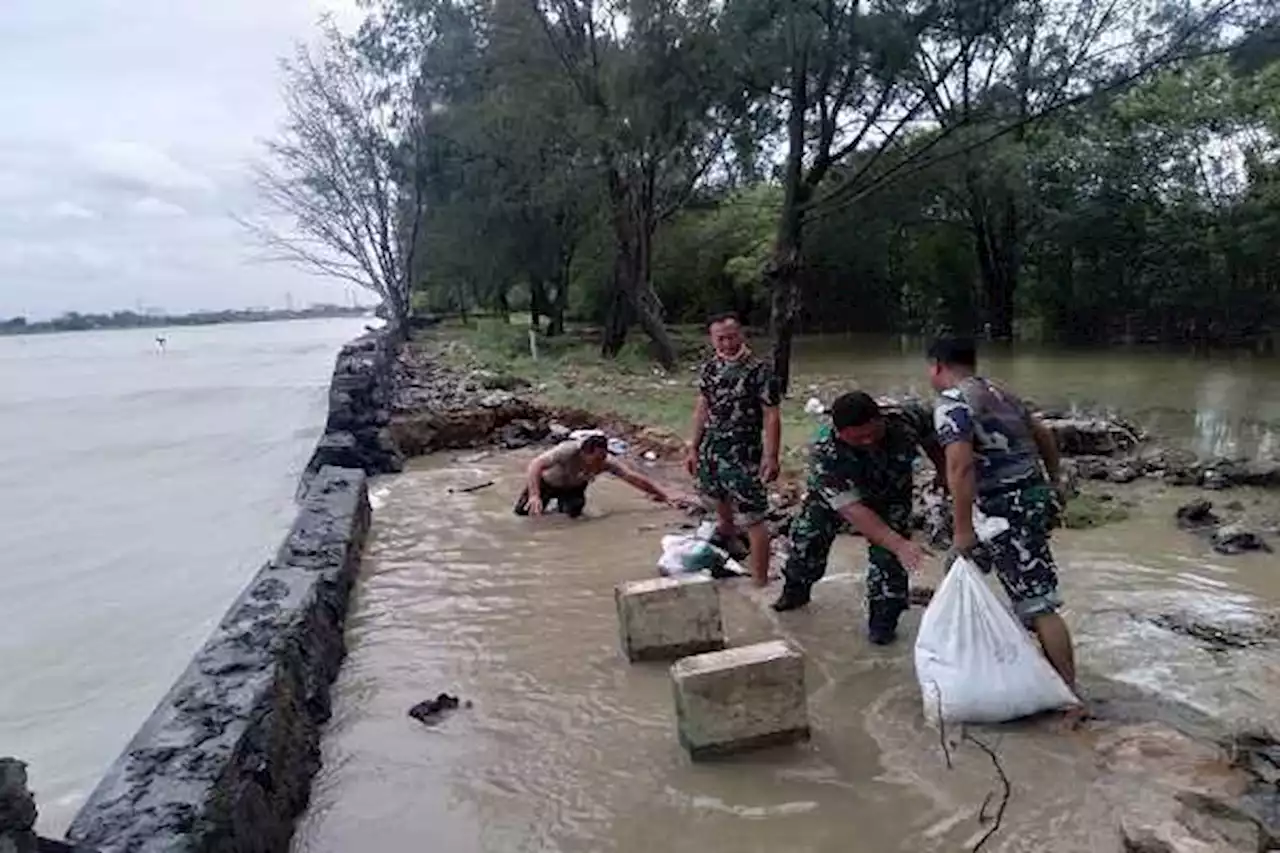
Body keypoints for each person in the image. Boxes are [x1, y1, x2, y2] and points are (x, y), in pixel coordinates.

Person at [926, 335, 1080, 693]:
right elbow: (1043, 433)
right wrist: (1054, 481)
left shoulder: (952, 402)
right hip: (1029, 500)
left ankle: (1069, 693)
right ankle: (996, 666)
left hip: (1002, 511)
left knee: (1038, 603)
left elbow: (960, 467)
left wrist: (962, 531)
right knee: (963, 579)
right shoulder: (1001, 392)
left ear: (936, 367)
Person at [772, 392, 946, 645]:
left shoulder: (906, 417)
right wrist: (899, 543)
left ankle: (884, 623)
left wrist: (943, 470)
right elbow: (853, 510)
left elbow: (931, 437)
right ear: (839, 432)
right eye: (858, 439)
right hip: (834, 499)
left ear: (881, 419)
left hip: (890, 493)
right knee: (807, 544)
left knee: (890, 563)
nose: (868, 443)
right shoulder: (825, 450)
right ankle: (795, 592)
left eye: (873, 435)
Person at [685, 313, 781, 586]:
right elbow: (703, 406)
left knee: (753, 517)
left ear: (741, 335)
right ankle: (731, 544)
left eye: (732, 337)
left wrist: (771, 456)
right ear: (713, 339)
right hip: (712, 449)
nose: (727, 343)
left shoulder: (759, 370)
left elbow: (771, 414)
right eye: (721, 339)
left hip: (744, 452)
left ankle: (760, 583)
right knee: (717, 500)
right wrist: (693, 447)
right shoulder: (710, 368)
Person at [514, 433, 682, 518]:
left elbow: (632, 478)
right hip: (548, 483)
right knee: (523, 514)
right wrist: (534, 495)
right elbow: (535, 465)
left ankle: (560, 510)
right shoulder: (567, 451)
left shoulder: (606, 462)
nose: (601, 462)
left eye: (603, 456)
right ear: (585, 453)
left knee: (571, 517)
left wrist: (664, 496)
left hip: (574, 488)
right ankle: (544, 505)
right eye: (597, 458)